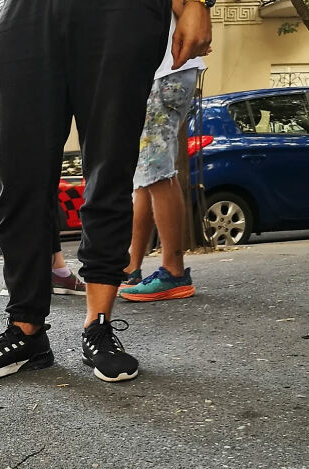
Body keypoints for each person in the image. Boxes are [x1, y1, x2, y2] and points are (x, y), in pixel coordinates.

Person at [0, 0, 213, 384]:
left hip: (120, 12)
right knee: (16, 172)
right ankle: (25, 329)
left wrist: (194, 3)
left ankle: (98, 325)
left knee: (109, 167)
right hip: (24, 13)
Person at [0, 0, 85, 297]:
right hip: (4, 80)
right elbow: (13, 24)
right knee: (15, 184)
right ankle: (29, 274)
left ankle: (47, 270)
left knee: (24, 183)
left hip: (16, 80)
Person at [119, 0, 207, 302]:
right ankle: (132, 267)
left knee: (156, 171)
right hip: (166, 69)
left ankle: (174, 271)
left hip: (163, 71)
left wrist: (195, 17)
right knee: (145, 175)